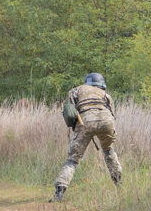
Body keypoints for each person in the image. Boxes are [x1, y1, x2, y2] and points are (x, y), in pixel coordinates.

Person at [52, 72, 123, 201]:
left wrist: (76, 127)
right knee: (108, 151)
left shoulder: (76, 90)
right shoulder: (105, 94)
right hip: (107, 122)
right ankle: (119, 184)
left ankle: (59, 192)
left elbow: (69, 113)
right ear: (101, 84)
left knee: (72, 160)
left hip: (85, 122)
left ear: (87, 82)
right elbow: (112, 113)